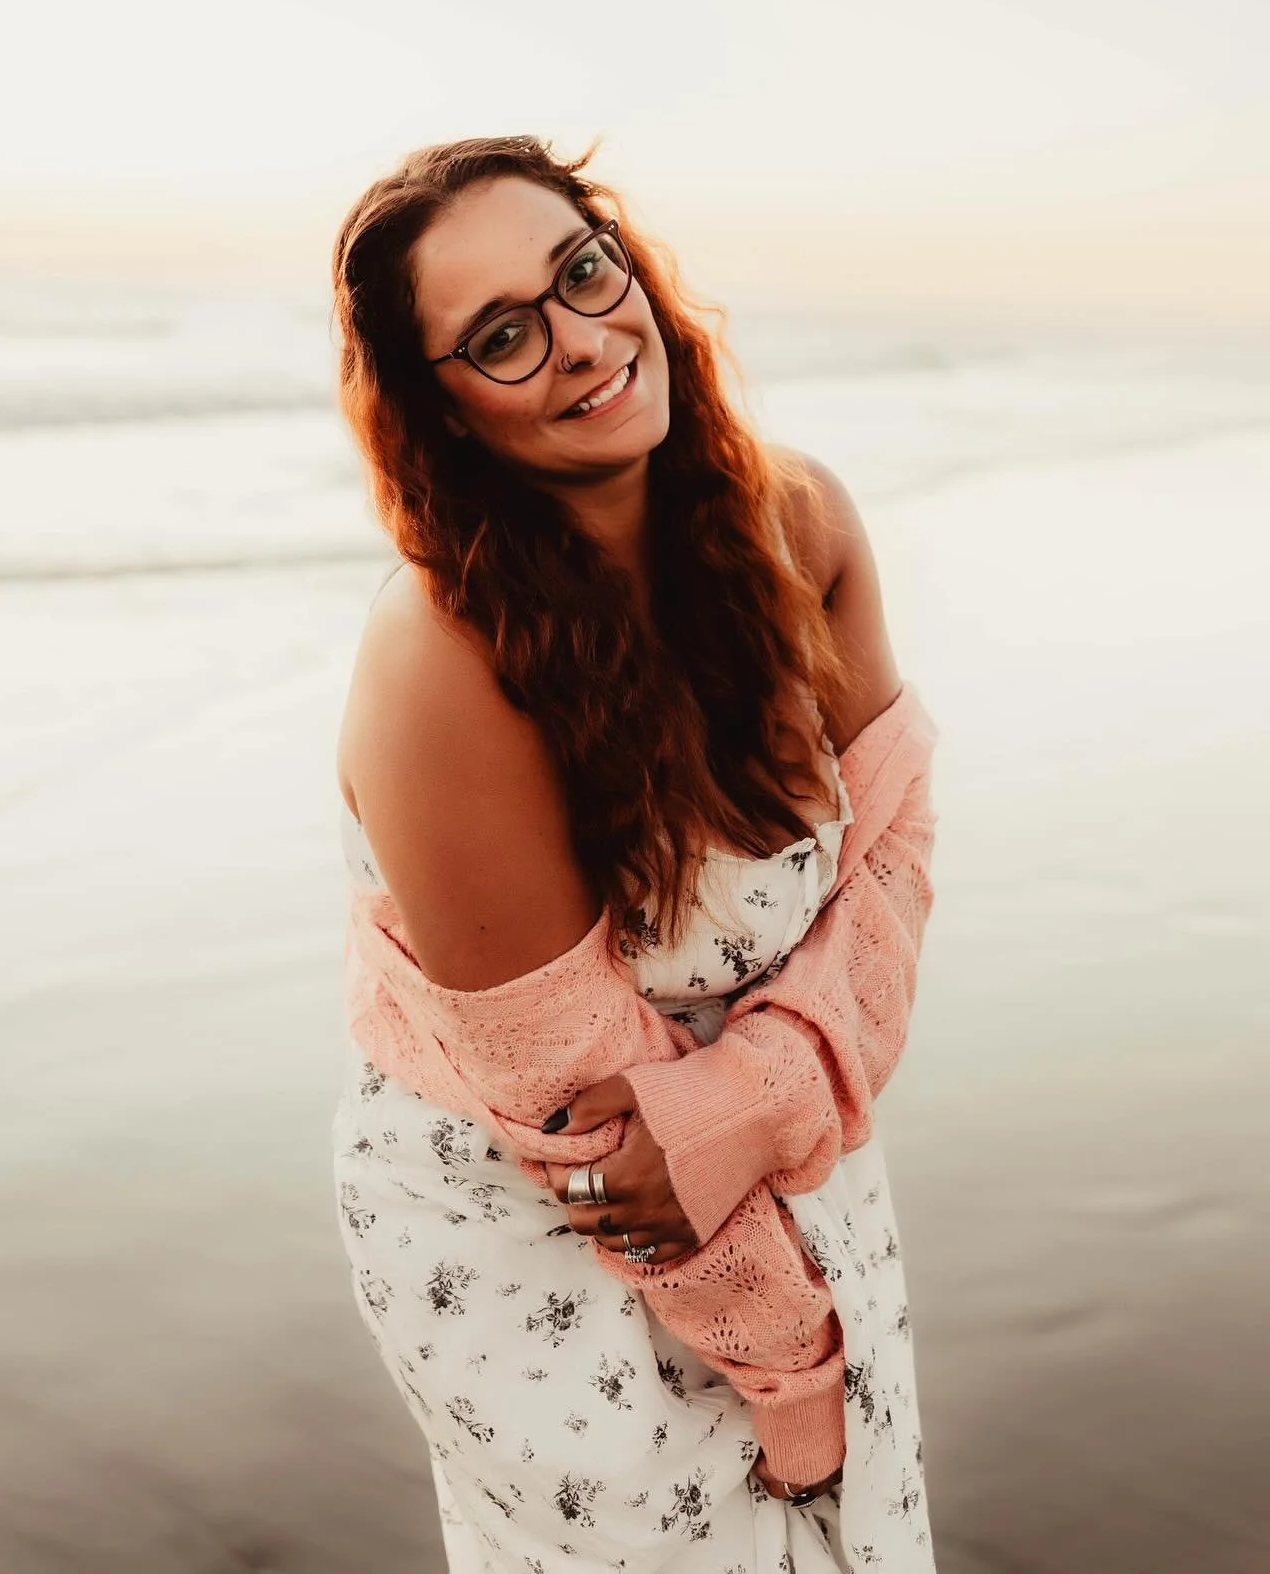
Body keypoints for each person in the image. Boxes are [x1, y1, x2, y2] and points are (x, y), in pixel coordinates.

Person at [330, 136, 938, 1571]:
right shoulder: (444, 659)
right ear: (443, 412)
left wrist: (762, 1098)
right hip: (539, 1234)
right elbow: (583, 1120)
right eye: (501, 337)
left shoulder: (801, 527)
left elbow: (895, 859)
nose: (582, 343)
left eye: (583, 272)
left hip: (791, 1157)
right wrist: (802, 1382)